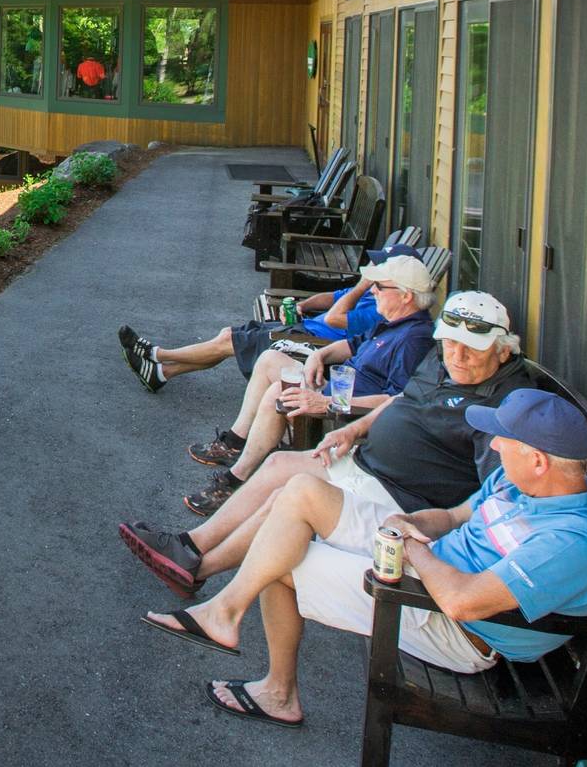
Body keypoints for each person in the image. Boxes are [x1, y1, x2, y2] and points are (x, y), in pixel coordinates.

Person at [139, 389, 587, 729]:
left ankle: (277, 690)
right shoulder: (523, 482)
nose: (493, 446)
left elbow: (460, 602)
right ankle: (225, 611)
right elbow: (453, 515)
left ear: (538, 459)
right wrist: (413, 527)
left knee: (282, 561)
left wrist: (410, 547)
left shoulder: (572, 542)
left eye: (503, 441)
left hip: (456, 627)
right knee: (303, 488)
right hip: (427, 561)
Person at [119, 291, 533, 596]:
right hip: (368, 462)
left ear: (501, 348)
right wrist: (353, 430)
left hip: (402, 497)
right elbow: (400, 400)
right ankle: (189, 547)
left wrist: (430, 535)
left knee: (291, 493)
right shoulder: (442, 360)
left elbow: (493, 501)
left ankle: (196, 566)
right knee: (281, 468)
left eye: (471, 347)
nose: (457, 355)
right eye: (451, 343)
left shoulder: (506, 408)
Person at [175, 255, 440, 516]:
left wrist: (327, 402)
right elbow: (350, 345)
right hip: (333, 389)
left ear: (406, 296)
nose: (373, 290)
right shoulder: (391, 323)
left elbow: (397, 400)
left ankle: (235, 479)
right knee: (270, 359)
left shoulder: (414, 340)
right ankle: (235, 443)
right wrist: (319, 356)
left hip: (345, 412)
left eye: (380, 286)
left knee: (279, 393)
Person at [116, 240, 418, 394]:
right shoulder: (374, 294)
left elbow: (333, 320)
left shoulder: (377, 305)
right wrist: (306, 303)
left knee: (228, 340)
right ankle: (160, 373)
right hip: (300, 327)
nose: (371, 270)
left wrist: (365, 284)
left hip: (309, 340)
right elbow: (332, 298)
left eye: (380, 271)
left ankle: (156, 354)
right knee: (229, 336)